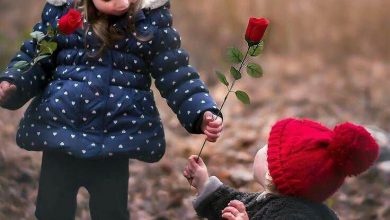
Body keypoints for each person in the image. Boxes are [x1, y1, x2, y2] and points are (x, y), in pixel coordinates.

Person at [0, 0, 223, 219]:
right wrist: (13, 83)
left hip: (114, 141)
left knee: (110, 211)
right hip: (61, 133)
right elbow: (36, 58)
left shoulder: (149, 21)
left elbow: (176, 74)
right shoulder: (62, 13)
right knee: (52, 209)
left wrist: (201, 112)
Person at [184, 118, 379, 219]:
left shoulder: (295, 216)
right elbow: (229, 202)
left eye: (269, 148)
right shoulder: (275, 201)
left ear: (274, 174)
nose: (261, 149)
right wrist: (204, 184)